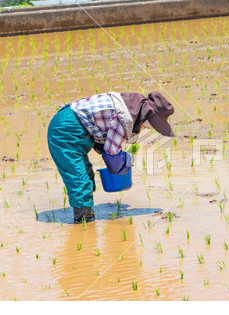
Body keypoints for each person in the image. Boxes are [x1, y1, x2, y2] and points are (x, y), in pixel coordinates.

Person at [47, 91, 175, 223]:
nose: (145, 128)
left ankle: (85, 213)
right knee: (79, 179)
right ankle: (83, 222)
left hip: (75, 128)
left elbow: (108, 144)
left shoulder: (131, 104)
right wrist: (127, 162)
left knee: (87, 173)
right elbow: (112, 158)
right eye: (149, 125)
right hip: (63, 130)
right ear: (145, 116)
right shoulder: (124, 116)